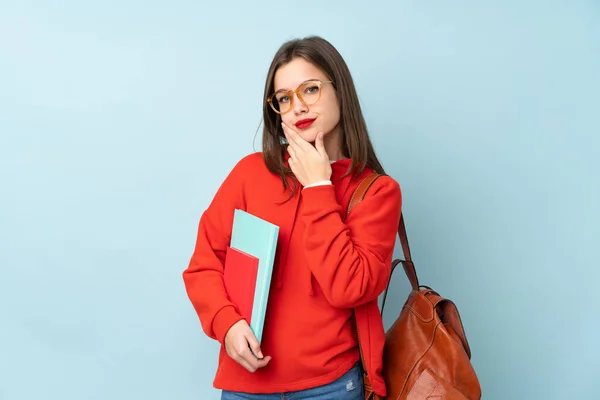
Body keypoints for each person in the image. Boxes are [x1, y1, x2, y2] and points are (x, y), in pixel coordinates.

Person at [182, 36, 402, 400]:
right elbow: (203, 266)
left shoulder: (377, 192)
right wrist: (227, 323)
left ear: (339, 90)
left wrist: (318, 186)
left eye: (310, 89)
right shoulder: (250, 174)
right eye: (284, 98)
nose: (298, 107)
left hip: (331, 387)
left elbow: (350, 287)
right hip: (245, 388)